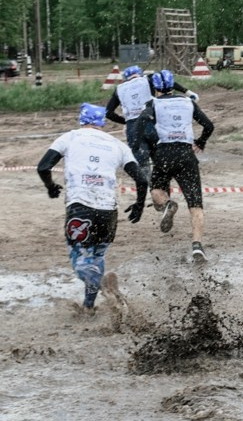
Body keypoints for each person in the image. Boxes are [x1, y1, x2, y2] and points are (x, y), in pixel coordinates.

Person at [36, 103, 149, 311]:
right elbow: (141, 179)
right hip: (109, 211)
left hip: (81, 206)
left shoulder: (70, 137)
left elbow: (43, 167)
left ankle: (103, 285)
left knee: (81, 260)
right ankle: (89, 306)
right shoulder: (117, 144)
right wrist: (139, 205)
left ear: (82, 119)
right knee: (97, 257)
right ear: (102, 123)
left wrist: (51, 187)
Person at [136, 69, 214, 261]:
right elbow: (208, 125)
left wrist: (143, 144)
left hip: (164, 154)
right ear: (172, 85)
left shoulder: (153, 103)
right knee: (195, 205)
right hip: (186, 154)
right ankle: (197, 246)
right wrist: (201, 142)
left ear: (155, 88)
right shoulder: (188, 102)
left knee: (156, 190)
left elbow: (141, 123)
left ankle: (168, 204)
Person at [104, 65, 156, 184]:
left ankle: (147, 187)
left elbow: (108, 113)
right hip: (150, 122)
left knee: (142, 164)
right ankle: (161, 189)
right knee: (159, 159)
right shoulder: (147, 81)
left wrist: (125, 121)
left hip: (133, 126)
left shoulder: (120, 89)